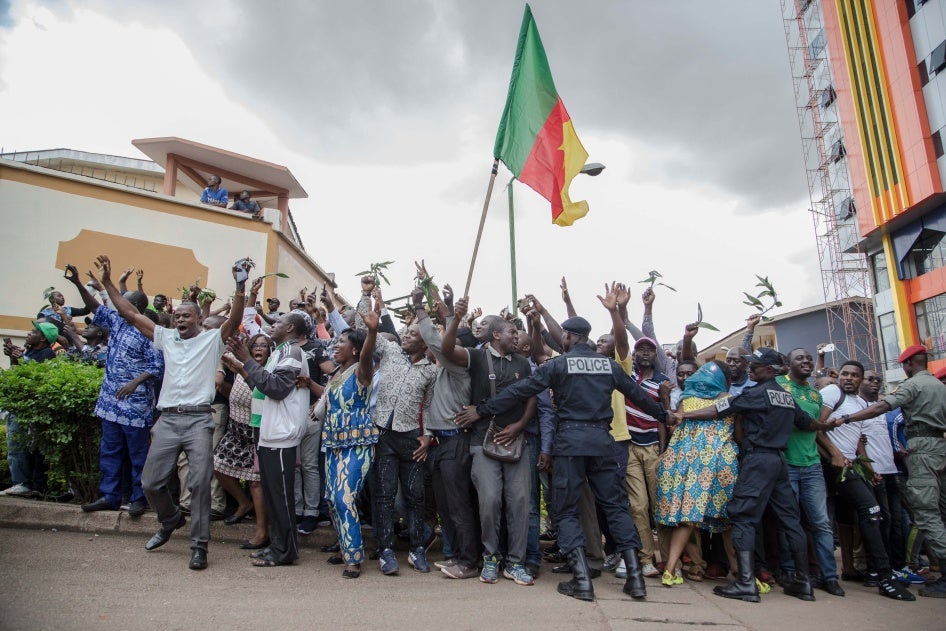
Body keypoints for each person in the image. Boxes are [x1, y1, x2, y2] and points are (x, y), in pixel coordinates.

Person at [465, 315, 671, 602]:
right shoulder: (608, 365)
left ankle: (582, 580)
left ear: (569, 337)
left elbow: (520, 391)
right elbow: (637, 395)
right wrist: (664, 414)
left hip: (571, 443)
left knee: (566, 510)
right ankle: (635, 579)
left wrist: (485, 408)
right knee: (616, 508)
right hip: (602, 441)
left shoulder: (558, 365)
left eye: (563, 335)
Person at [94, 253, 245, 571]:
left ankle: (199, 546)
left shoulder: (211, 341)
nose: (179, 319)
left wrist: (240, 287)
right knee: (150, 482)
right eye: (176, 316)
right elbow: (132, 314)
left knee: (200, 483)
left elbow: (233, 320)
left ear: (198, 320)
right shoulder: (167, 339)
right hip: (169, 419)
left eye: (186, 316)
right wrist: (108, 282)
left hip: (199, 419)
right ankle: (170, 519)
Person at [676, 348, 844, 603]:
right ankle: (803, 583)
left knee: (742, 515)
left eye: (755, 365)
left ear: (769, 370)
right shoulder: (785, 396)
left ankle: (745, 583)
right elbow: (807, 423)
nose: (750, 368)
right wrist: (825, 425)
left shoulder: (756, 394)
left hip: (758, 461)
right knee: (791, 520)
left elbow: (721, 409)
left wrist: (684, 414)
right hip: (779, 462)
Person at [832, 345, 946, 598]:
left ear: (908, 365)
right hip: (939, 448)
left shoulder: (914, 385)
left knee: (926, 512)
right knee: (938, 510)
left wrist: (846, 419)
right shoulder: (939, 386)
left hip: (923, 450)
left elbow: (880, 408)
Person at [447, 297, 537, 587]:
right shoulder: (476, 356)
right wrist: (454, 317)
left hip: (516, 442)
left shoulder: (522, 363)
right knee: (488, 501)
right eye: (512, 332)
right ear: (496, 335)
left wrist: (520, 425)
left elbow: (531, 396)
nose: (517, 337)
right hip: (481, 441)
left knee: (520, 502)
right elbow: (446, 349)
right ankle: (490, 558)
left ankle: (516, 563)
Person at [66, 264, 164, 517]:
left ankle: (138, 498)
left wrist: (134, 383)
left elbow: (157, 366)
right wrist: (78, 282)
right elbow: (96, 307)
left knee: (137, 454)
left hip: (135, 404)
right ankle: (110, 495)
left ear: (137, 308)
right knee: (109, 450)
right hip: (110, 400)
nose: (118, 306)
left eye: (124, 303)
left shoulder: (149, 333)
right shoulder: (116, 323)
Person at [227, 312, 309, 567]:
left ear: (291, 328)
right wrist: (242, 369)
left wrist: (247, 360)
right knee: (274, 497)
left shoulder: (292, 353)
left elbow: (278, 388)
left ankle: (284, 552)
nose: (273, 325)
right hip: (270, 434)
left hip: (282, 436)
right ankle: (278, 545)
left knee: (281, 498)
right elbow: (264, 389)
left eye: (279, 322)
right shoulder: (280, 352)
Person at [311, 300, 380, 579]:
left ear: (355, 349)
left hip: (358, 444)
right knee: (332, 499)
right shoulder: (336, 374)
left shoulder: (362, 371)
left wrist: (372, 332)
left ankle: (354, 558)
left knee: (345, 498)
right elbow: (328, 404)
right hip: (334, 443)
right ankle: (344, 547)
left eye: (341, 343)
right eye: (336, 342)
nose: (336, 346)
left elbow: (367, 356)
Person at [656, 360, 739, 587]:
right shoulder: (718, 400)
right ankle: (737, 571)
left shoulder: (721, 401)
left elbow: (678, 421)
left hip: (703, 468)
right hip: (708, 466)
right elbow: (738, 435)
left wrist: (683, 416)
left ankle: (672, 570)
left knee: (700, 520)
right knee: (718, 521)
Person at [773, 348, 844, 597]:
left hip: (812, 465)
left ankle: (829, 576)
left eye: (808, 358)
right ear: (788, 364)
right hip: (786, 464)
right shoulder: (778, 385)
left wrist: (834, 452)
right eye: (799, 358)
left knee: (821, 524)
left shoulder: (815, 395)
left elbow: (817, 431)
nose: (806, 361)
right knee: (788, 522)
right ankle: (790, 571)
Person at [216, 334, 270, 550]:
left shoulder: (268, 371)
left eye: (264, 346)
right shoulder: (239, 362)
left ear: (270, 351)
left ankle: (261, 532)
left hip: (256, 431)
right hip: (234, 428)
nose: (259, 349)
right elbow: (218, 349)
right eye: (255, 345)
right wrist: (223, 365)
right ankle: (243, 503)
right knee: (217, 467)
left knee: (256, 483)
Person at [1, 320, 59, 498]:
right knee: (19, 447)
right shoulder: (31, 352)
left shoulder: (47, 353)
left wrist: (22, 359)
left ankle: (24, 484)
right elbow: (16, 375)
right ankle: (23, 483)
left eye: (33, 332)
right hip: (19, 408)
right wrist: (14, 358)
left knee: (21, 448)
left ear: (42, 338)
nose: (28, 334)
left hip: (29, 411)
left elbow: (37, 377)